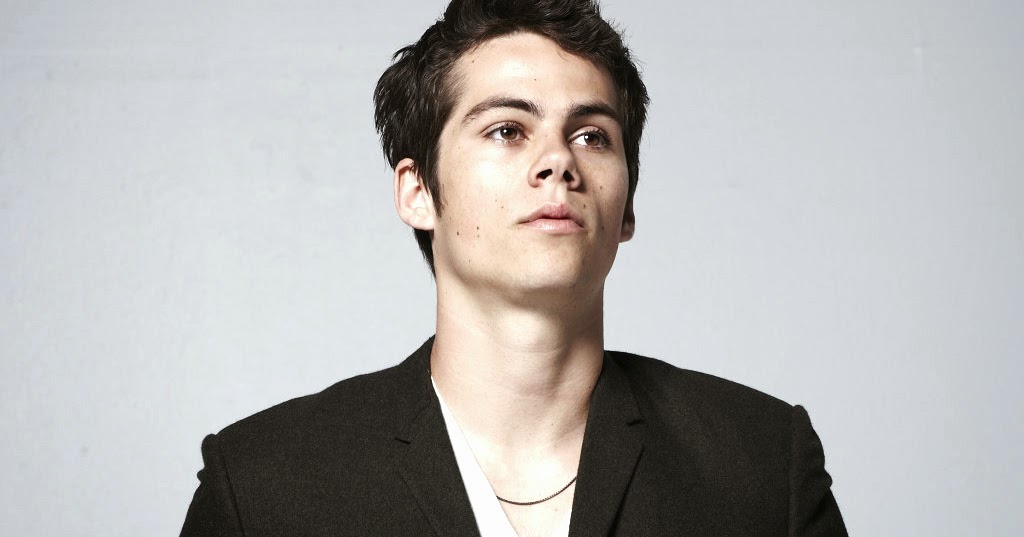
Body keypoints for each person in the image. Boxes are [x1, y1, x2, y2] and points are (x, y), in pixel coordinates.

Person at [180, 1, 848, 535]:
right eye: (507, 129)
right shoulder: (264, 484)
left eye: (592, 135)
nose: (559, 161)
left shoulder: (761, 462)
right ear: (417, 191)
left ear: (627, 206)